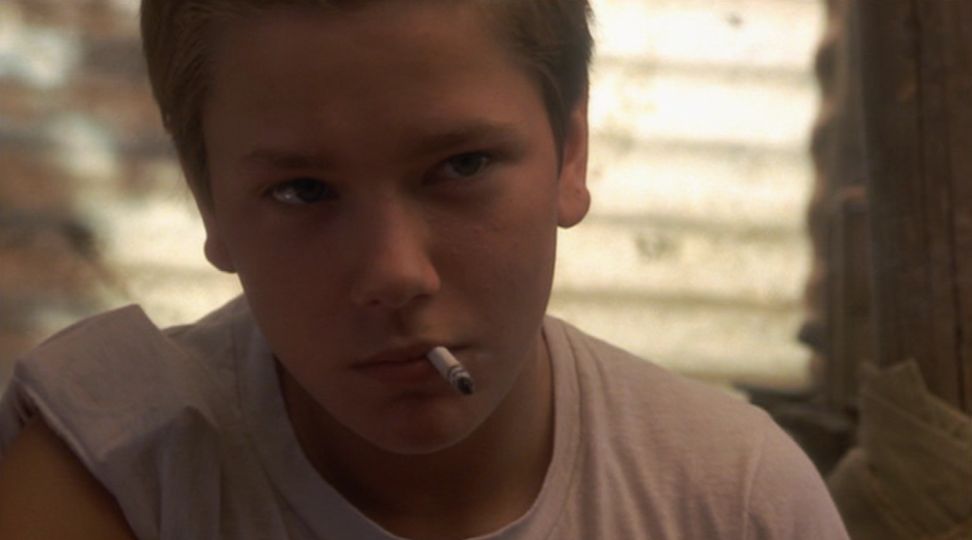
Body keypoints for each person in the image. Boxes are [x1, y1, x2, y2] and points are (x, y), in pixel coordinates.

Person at [0, 0, 850, 538]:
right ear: (208, 203)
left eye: (461, 167)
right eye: (303, 191)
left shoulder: (728, 500)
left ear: (570, 151)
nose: (395, 273)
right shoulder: (121, 474)